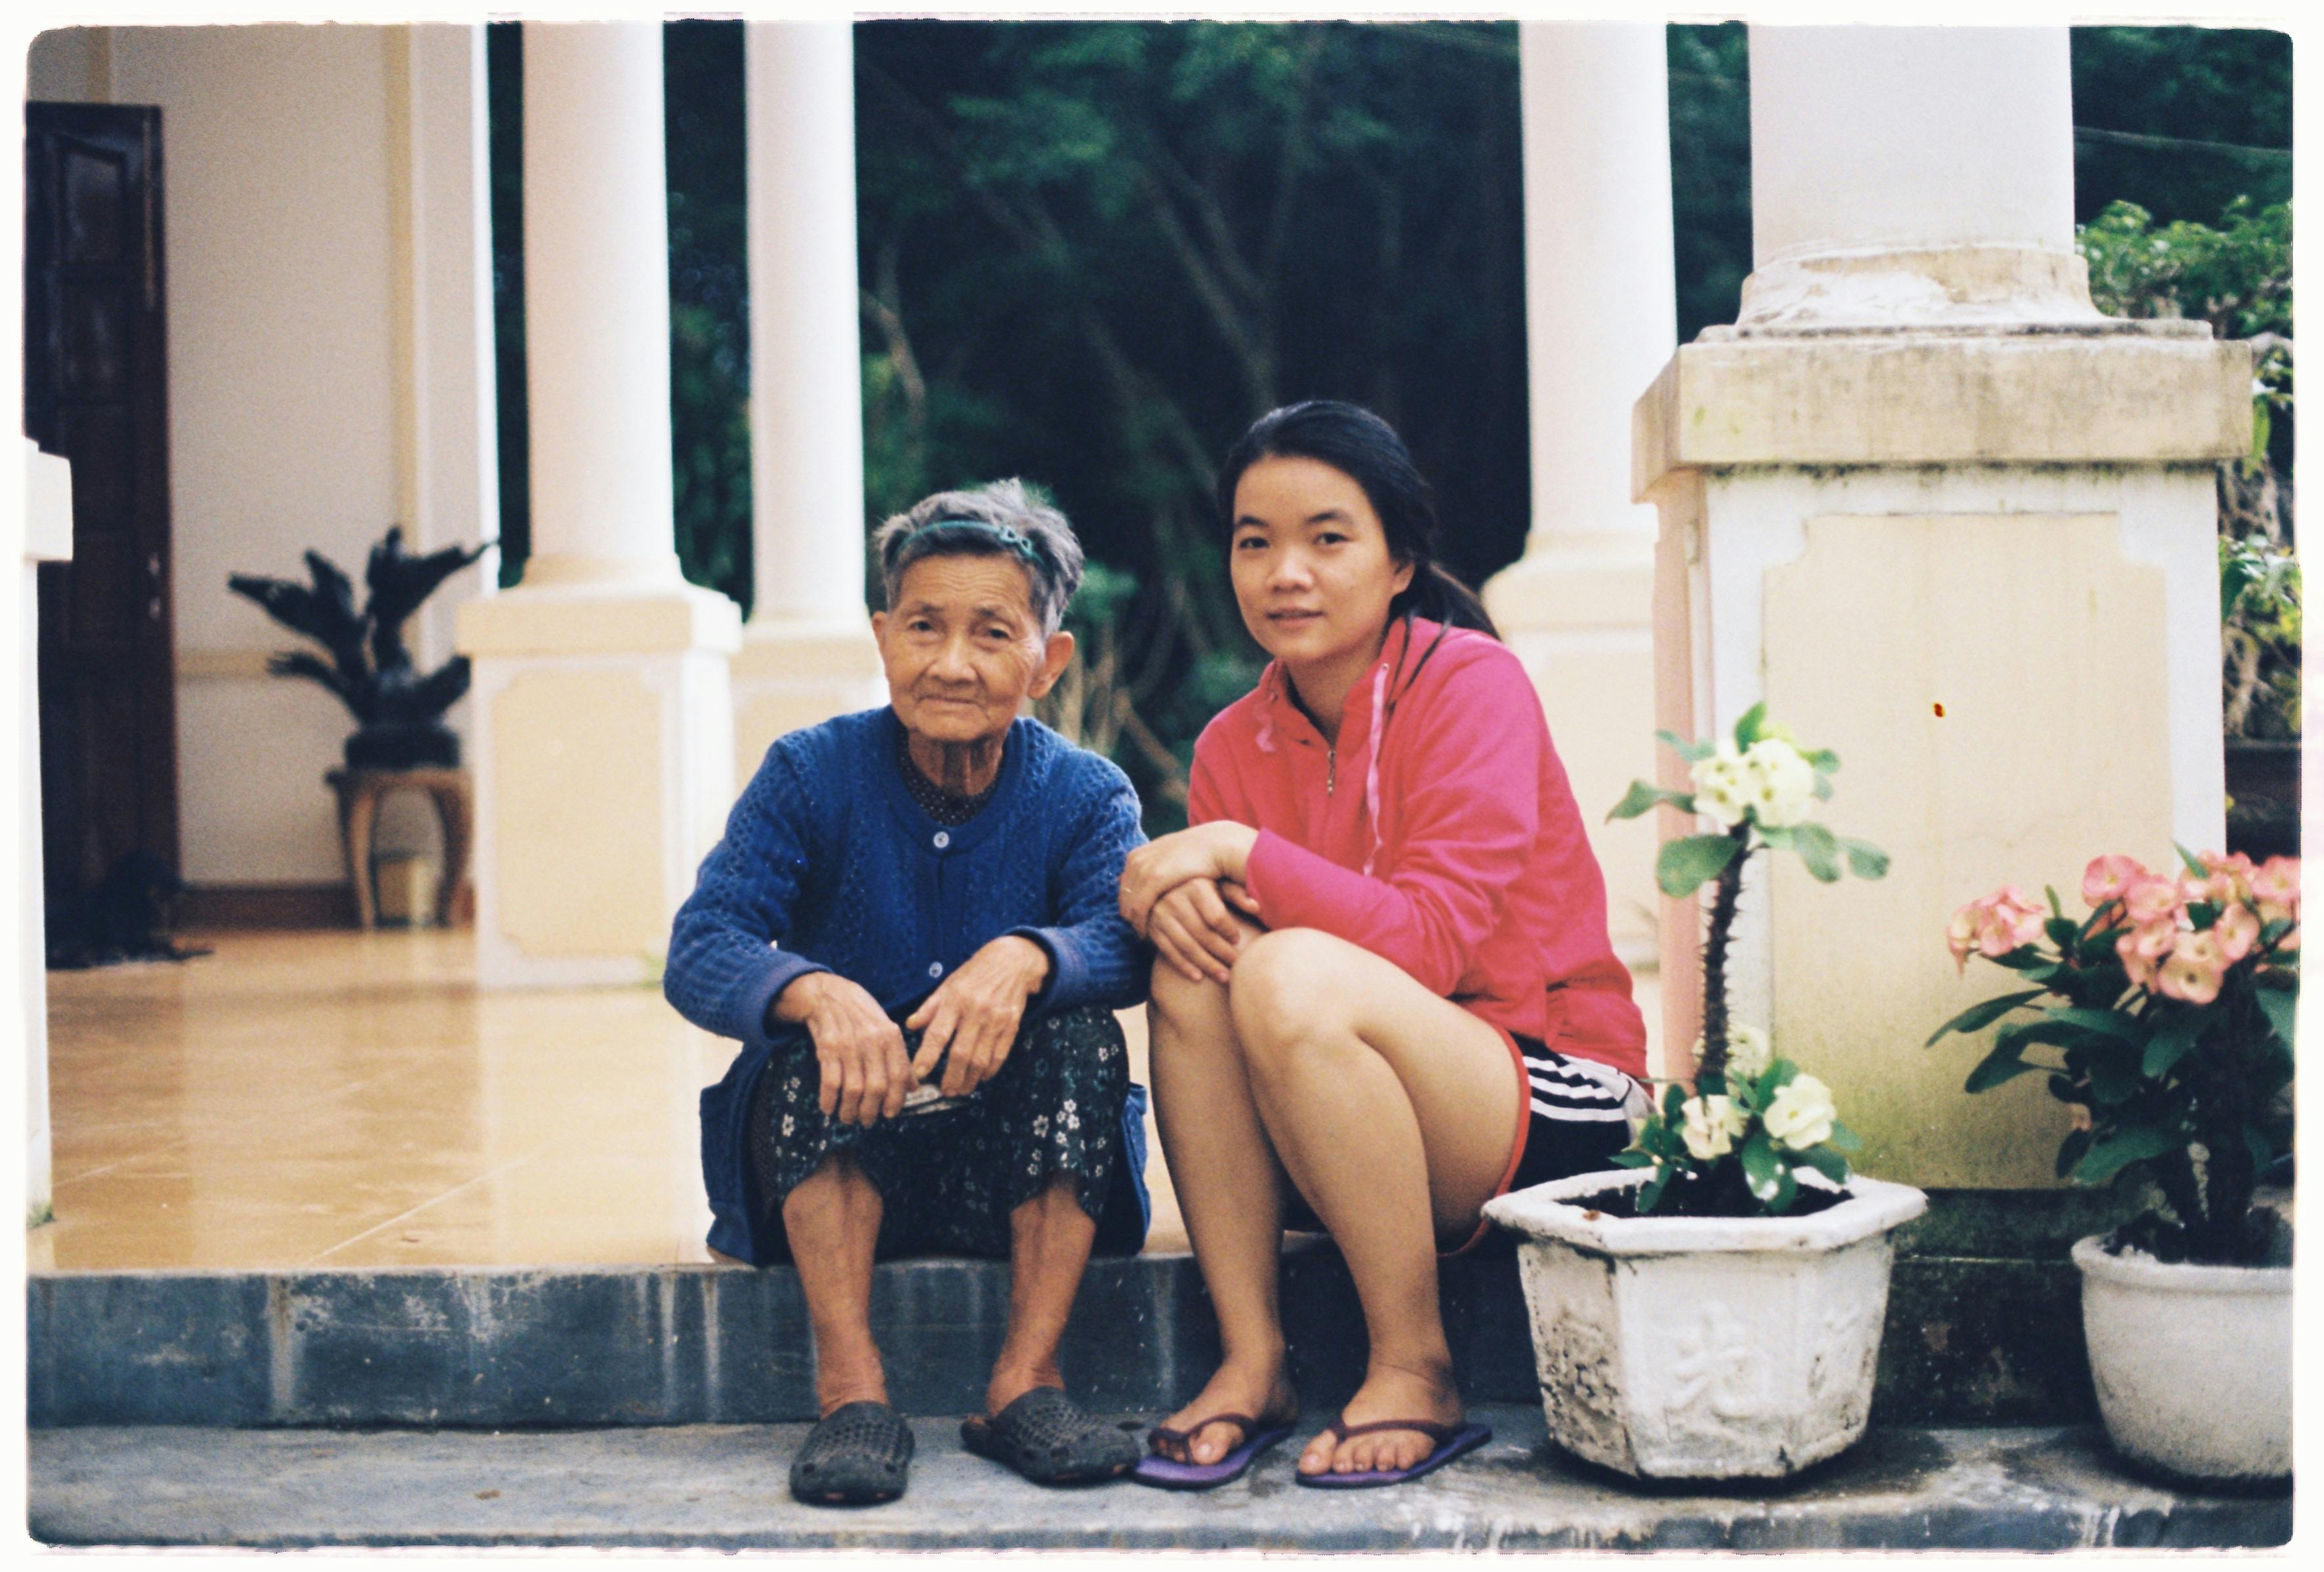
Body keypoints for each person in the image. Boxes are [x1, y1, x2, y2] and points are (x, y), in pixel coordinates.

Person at [1118, 401, 1648, 1491]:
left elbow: (1435, 943)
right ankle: (1254, 1358)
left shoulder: (1470, 684)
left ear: (1401, 559)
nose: (1284, 573)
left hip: (1556, 1095)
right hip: (1341, 1120)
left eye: (1327, 537)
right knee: (1197, 964)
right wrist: (1169, 903)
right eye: (1254, 541)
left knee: (1284, 963)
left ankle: (1413, 1364)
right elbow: (1240, 963)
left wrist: (1234, 851)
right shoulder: (1233, 742)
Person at [666, 481, 1151, 1506]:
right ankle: (851, 1393)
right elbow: (702, 943)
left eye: (991, 632)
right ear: (883, 636)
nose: (951, 663)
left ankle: (1028, 1382)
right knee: (804, 1043)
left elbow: (1129, 940)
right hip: (836, 1148)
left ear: (1045, 662)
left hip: (1006, 1162)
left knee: (1083, 1039)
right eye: (924, 626)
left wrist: (1030, 957)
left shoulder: (1088, 792)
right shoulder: (809, 772)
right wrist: (810, 989)